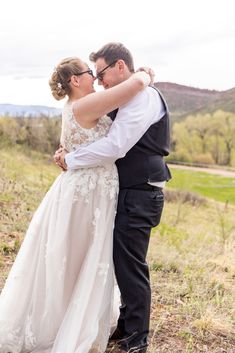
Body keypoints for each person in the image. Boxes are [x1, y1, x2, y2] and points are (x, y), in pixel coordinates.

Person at [0, 57, 151, 353]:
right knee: (78, 258)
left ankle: (74, 316)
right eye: (88, 72)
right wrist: (145, 74)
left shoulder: (78, 106)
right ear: (74, 80)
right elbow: (133, 86)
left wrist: (66, 153)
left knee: (77, 257)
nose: (94, 76)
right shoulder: (84, 105)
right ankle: (61, 324)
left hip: (88, 190)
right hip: (87, 195)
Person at [55, 43, 172, 353]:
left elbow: (117, 145)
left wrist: (73, 158)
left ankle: (138, 338)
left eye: (102, 72)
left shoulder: (143, 97)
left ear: (121, 67)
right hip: (128, 190)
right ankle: (125, 325)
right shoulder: (126, 95)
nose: (100, 80)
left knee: (131, 264)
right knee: (120, 261)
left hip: (142, 190)